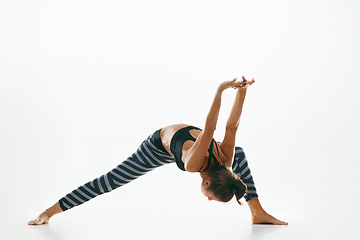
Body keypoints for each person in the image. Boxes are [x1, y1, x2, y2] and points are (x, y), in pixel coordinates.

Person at [28, 76, 288, 225]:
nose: (206, 198)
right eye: (210, 195)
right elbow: (210, 128)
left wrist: (242, 93)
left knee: (238, 151)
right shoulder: (194, 164)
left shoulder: (226, 159)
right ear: (207, 181)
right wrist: (221, 90)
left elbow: (232, 126)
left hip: (180, 143)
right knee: (109, 182)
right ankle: (48, 213)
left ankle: (257, 213)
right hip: (155, 148)